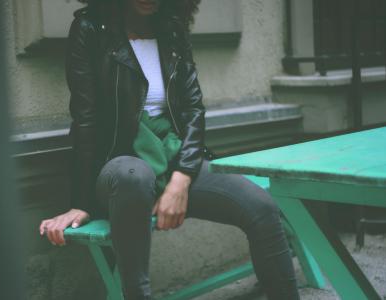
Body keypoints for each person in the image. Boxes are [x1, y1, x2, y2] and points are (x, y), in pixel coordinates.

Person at [39, 0, 300, 299]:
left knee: (261, 206)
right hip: (119, 164)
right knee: (134, 175)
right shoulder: (90, 29)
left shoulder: (171, 29)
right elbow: (86, 120)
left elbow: (192, 111)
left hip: (173, 155)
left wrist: (181, 179)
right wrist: (81, 201)